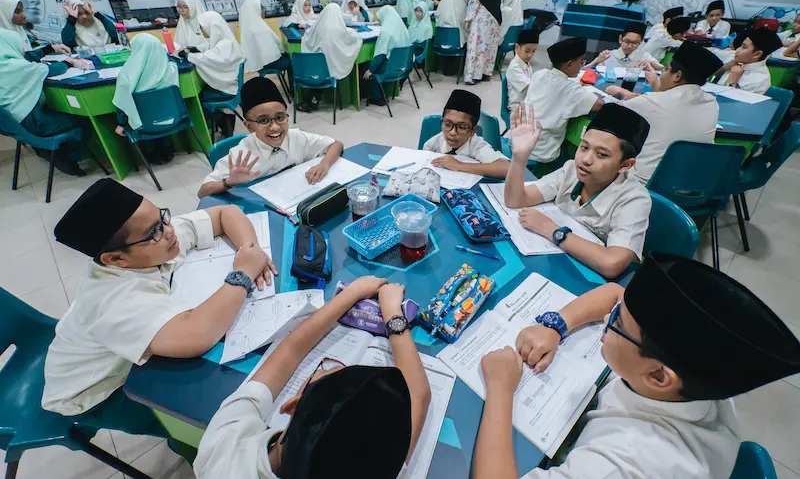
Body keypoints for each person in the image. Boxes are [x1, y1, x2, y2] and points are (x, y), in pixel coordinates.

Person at [473, 252, 800, 479]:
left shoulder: (626, 464)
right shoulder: (698, 379)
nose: (607, 318)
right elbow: (614, 293)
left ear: (658, 375)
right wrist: (555, 325)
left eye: (617, 323)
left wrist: (501, 387)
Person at [42, 178, 277, 416]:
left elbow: (225, 213)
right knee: (196, 410)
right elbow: (196, 336)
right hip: (97, 391)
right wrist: (243, 273)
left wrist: (250, 250)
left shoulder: (153, 244)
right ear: (116, 259)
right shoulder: (114, 301)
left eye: (162, 217)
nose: (169, 230)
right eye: (154, 231)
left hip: (119, 347)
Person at [193, 278, 431, 479]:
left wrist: (351, 294)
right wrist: (393, 313)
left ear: (292, 406)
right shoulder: (377, 464)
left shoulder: (225, 450)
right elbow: (418, 395)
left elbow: (289, 351)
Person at [505, 102, 651, 278]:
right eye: (584, 147)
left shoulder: (635, 199)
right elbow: (516, 200)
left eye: (601, 154)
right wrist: (519, 157)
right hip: (561, 263)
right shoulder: (571, 170)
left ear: (625, 165)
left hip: (592, 277)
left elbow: (612, 263)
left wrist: (550, 229)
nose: (586, 159)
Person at [198, 77, 344, 198]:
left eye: (280, 117)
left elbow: (336, 144)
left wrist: (324, 164)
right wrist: (228, 182)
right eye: (263, 120)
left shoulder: (296, 137)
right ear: (249, 126)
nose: (274, 127)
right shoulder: (241, 156)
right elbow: (202, 192)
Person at [604, 42, 723, 184]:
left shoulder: (653, 102)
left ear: (677, 76)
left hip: (644, 185)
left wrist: (624, 94)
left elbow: (611, 113)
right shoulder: (712, 103)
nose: (661, 76)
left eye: (666, 70)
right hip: (691, 186)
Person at [0, 29, 88, 176]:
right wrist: (68, 62)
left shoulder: (4, 63)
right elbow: (51, 69)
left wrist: (49, 49)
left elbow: (26, 58)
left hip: (15, 127)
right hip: (33, 124)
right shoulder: (14, 67)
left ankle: (49, 151)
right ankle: (70, 158)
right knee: (83, 118)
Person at [518, 37, 604, 173]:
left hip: (519, 141)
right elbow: (600, 104)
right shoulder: (570, 89)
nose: (582, 64)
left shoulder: (540, 74)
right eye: (581, 61)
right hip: (542, 152)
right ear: (569, 64)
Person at [112, 33, 179, 164]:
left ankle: (152, 156)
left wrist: (121, 123)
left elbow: (122, 104)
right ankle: (167, 151)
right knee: (159, 112)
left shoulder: (127, 76)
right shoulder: (171, 69)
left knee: (140, 117)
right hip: (172, 120)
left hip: (142, 127)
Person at [422, 89, 510, 179]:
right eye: (447, 124)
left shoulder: (477, 146)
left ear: (473, 131)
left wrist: (459, 165)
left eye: (462, 127)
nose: (452, 132)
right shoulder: (432, 144)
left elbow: (507, 169)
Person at [300, 3, 363, 112]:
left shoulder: (317, 28)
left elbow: (307, 36)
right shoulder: (340, 29)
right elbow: (354, 37)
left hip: (318, 71)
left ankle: (311, 99)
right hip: (334, 69)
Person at [180, 10, 245, 101]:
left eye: (202, 27)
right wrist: (194, 49)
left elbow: (208, 59)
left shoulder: (225, 44)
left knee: (197, 95)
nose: (201, 30)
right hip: (228, 84)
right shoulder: (223, 41)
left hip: (227, 88)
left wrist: (188, 55)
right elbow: (209, 48)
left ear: (211, 27)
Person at [463, 0, 502, 85]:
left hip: (481, 20)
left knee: (476, 48)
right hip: (494, 20)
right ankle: (485, 73)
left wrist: (468, 20)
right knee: (489, 48)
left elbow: (473, 1)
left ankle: (473, 76)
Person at [362, 5, 410, 106]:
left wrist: (370, 70)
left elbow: (380, 55)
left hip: (390, 69)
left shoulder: (386, 31)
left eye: (380, 20)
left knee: (368, 66)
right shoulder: (403, 28)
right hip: (403, 67)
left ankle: (378, 98)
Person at [0, 0, 69, 59]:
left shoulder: (20, 32)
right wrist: (49, 49)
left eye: (23, 11)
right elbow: (22, 61)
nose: (24, 16)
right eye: (17, 12)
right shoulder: (3, 40)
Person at [715, 27, 782, 94]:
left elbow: (735, 100)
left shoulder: (759, 80)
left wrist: (733, 83)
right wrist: (724, 68)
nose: (737, 50)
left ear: (757, 54)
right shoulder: (737, 61)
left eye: (744, 47)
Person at [239, 0, 290, 76]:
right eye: (261, 8)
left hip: (262, 62)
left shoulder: (251, 27)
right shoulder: (259, 29)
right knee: (293, 61)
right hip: (269, 62)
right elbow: (272, 54)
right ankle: (294, 84)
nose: (264, 11)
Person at [589, 22, 662, 69]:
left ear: (641, 42)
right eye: (627, 41)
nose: (630, 46)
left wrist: (650, 63)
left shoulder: (644, 56)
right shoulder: (608, 55)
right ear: (620, 39)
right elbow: (584, 69)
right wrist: (597, 61)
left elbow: (662, 69)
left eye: (635, 43)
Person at [505, 28, 538, 113]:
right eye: (527, 51)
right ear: (517, 47)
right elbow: (529, 86)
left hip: (526, 103)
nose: (530, 55)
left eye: (533, 51)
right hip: (517, 107)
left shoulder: (526, 64)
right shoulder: (514, 67)